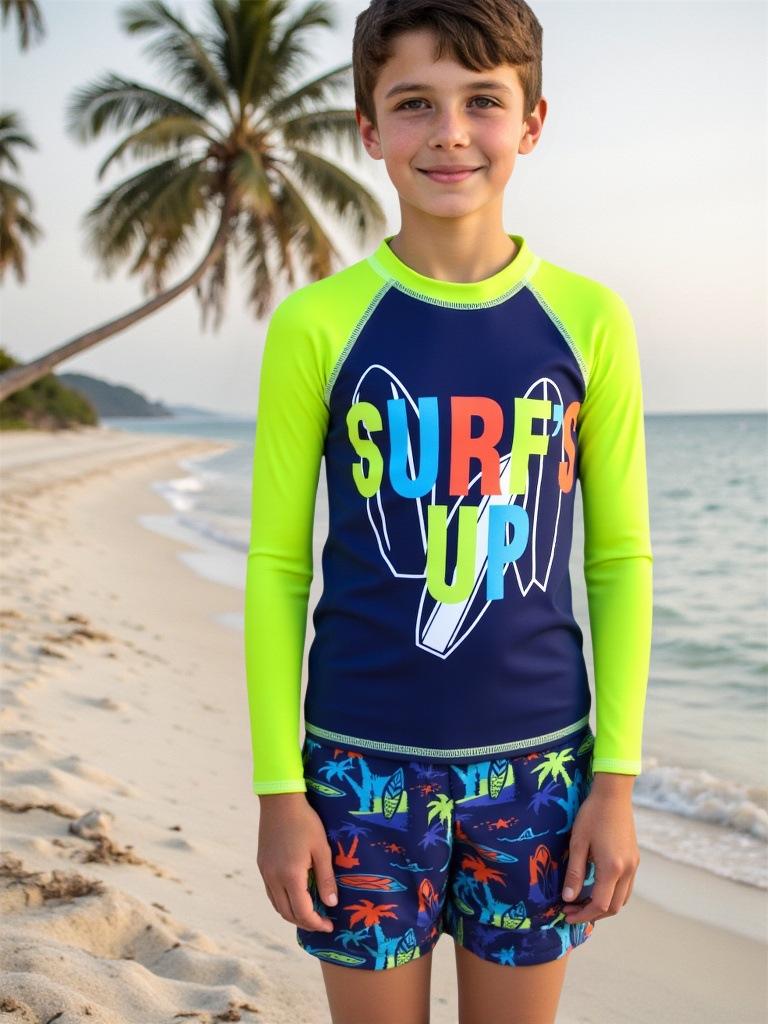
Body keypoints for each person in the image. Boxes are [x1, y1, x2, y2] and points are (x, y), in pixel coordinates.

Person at [243, 0, 653, 1021]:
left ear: (532, 122)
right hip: (356, 763)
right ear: (369, 128)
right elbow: (278, 566)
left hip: (541, 769)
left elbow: (618, 562)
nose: (451, 133)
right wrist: (279, 791)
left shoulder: (589, 320)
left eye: (482, 101)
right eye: (415, 104)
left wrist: (614, 784)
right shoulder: (317, 324)